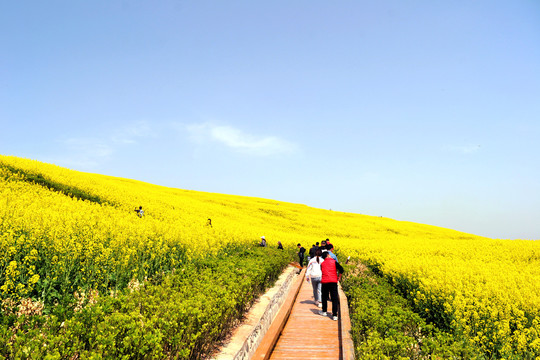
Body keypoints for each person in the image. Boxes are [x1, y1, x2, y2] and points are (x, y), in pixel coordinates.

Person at [319, 251, 344, 321]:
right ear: (327, 255)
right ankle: (334, 315)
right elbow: (341, 269)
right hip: (333, 282)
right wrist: (339, 277)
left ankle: (324, 311)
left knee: (324, 297)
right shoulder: (334, 262)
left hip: (324, 282)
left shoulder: (322, 263)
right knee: (334, 298)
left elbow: (322, 271)